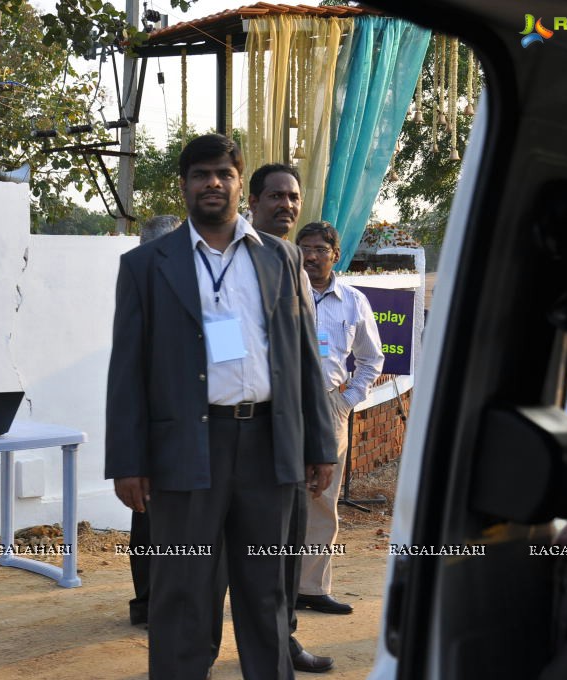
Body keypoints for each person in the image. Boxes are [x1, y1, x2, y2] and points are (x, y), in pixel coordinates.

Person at [106, 134, 336, 680]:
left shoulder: (280, 257)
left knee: (266, 589)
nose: (213, 183)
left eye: (224, 174)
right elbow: (127, 369)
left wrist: (320, 444)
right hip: (186, 448)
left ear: (239, 183)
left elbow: (304, 357)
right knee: (183, 589)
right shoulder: (146, 265)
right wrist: (127, 462)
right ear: (184, 184)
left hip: (266, 446)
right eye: (201, 174)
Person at [248, 163, 335, 674]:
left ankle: (283, 643)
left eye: (294, 196)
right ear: (252, 201)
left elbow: (307, 364)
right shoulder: (228, 261)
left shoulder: (294, 267)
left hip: (287, 439)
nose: (287, 204)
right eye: (276, 196)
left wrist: (317, 445)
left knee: (282, 554)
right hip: (230, 434)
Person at [294, 221, 383, 618]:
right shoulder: (278, 292)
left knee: (321, 499)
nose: (311, 256)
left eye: (319, 249)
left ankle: (310, 589)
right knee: (272, 498)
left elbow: (370, 360)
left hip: (330, 406)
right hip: (280, 406)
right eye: (304, 248)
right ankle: (271, 587)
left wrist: (347, 401)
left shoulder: (353, 301)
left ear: (335, 254)